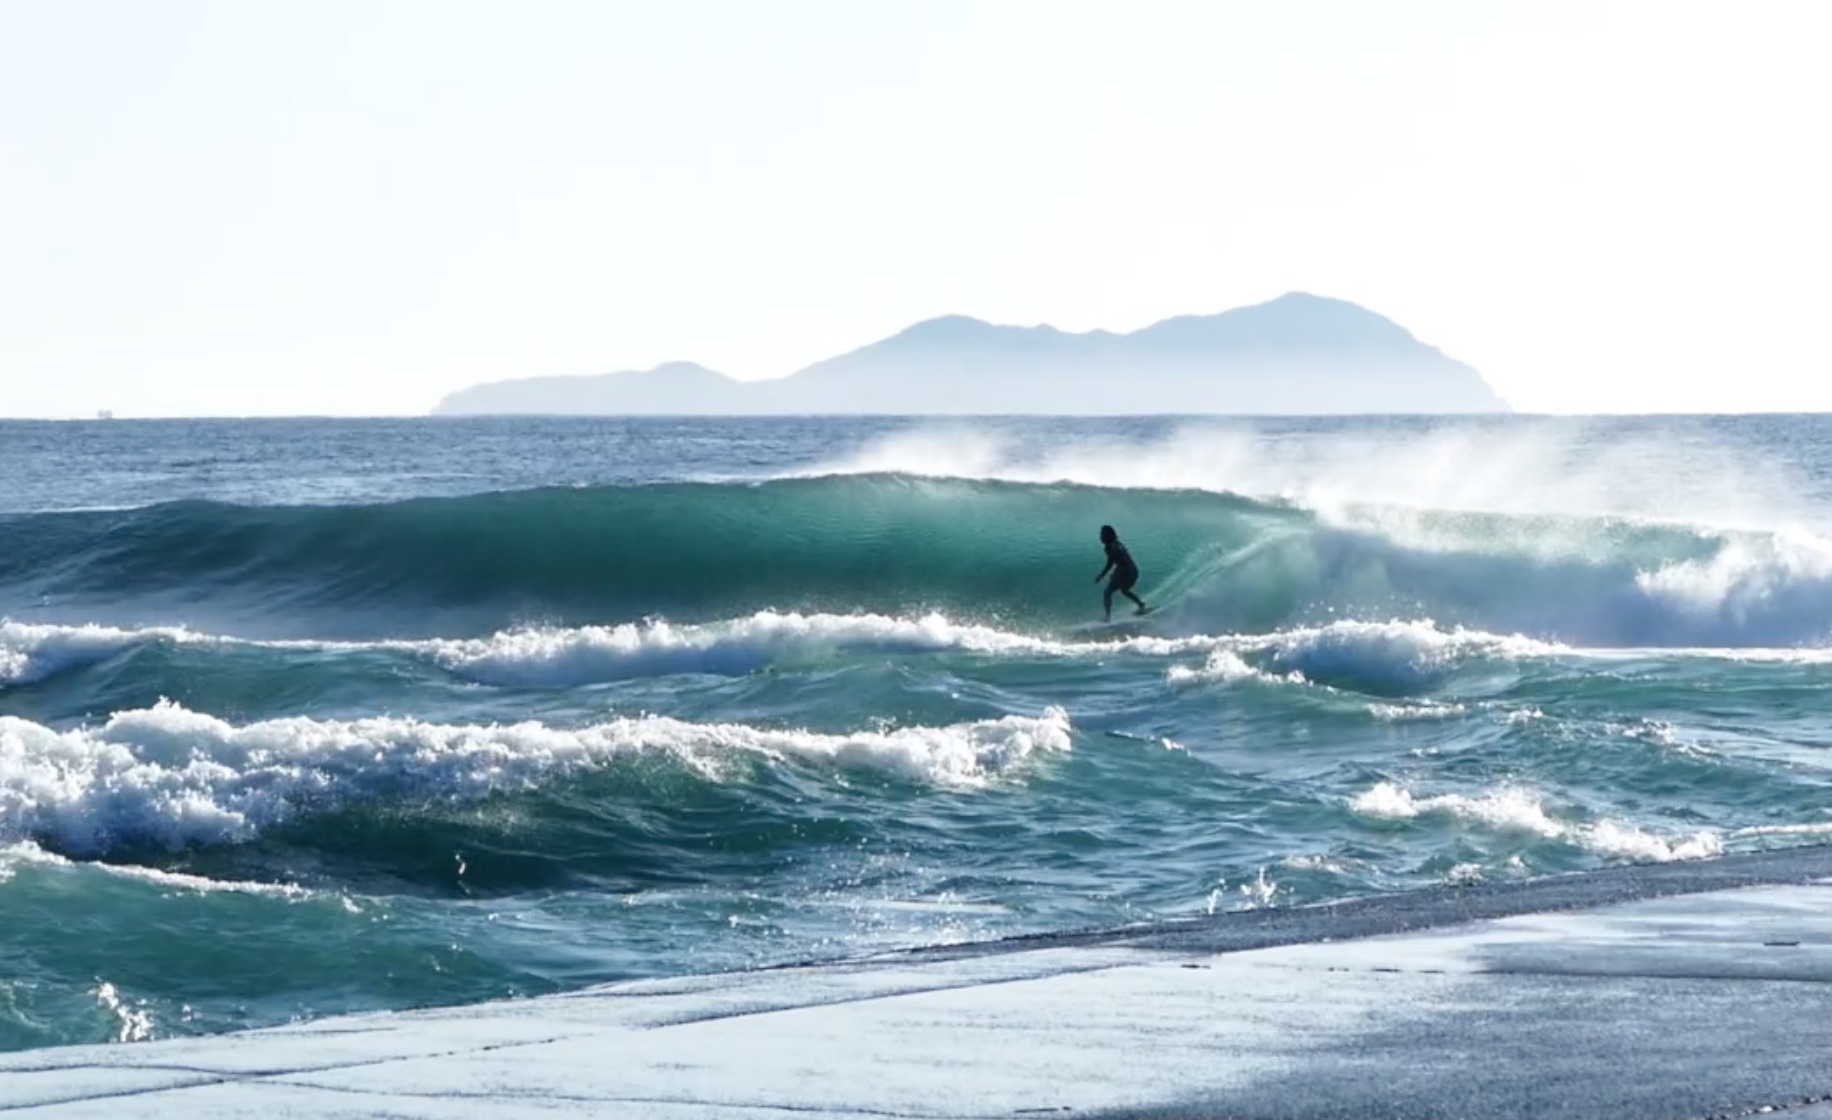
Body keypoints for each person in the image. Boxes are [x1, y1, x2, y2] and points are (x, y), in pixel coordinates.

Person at [1094, 524, 1149, 620]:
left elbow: (1113, 563)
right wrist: (1112, 574)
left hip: (1127, 572)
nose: (1100, 537)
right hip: (1132, 570)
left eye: (1102, 535)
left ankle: (1107, 617)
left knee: (1107, 592)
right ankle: (1141, 604)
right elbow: (1116, 562)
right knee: (1124, 590)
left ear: (1108, 536)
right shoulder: (1114, 545)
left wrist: (1106, 576)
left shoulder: (1114, 548)